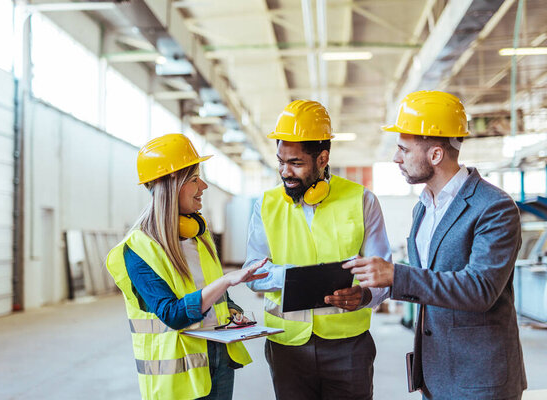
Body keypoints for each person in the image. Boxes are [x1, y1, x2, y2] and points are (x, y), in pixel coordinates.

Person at [344, 90, 527, 399]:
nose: (396, 158)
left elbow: (480, 289)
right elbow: (428, 281)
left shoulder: (494, 207)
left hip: (480, 379)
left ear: (436, 155)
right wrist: (366, 294)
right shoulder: (423, 208)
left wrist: (396, 275)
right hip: (436, 372)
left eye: (403, 149)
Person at [243, 100, 392, 400]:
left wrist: (364, 296)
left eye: (296, 163)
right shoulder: (266, 204)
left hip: (348, 346)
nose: (285, 172)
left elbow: (383, 274)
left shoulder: (362, 201)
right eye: (281, 161)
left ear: (322, 158)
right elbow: (253, 274)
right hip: (286, 346)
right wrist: (290, 277)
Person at [106, 133, 266, 400]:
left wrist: (235, 312)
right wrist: (227, 280)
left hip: (220, 359)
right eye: (194, 179)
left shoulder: (199, 237)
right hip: (177, 376)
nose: (203, 186)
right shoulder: (138, 249)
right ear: (171, 184)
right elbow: (172, 314)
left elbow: (214, 294)